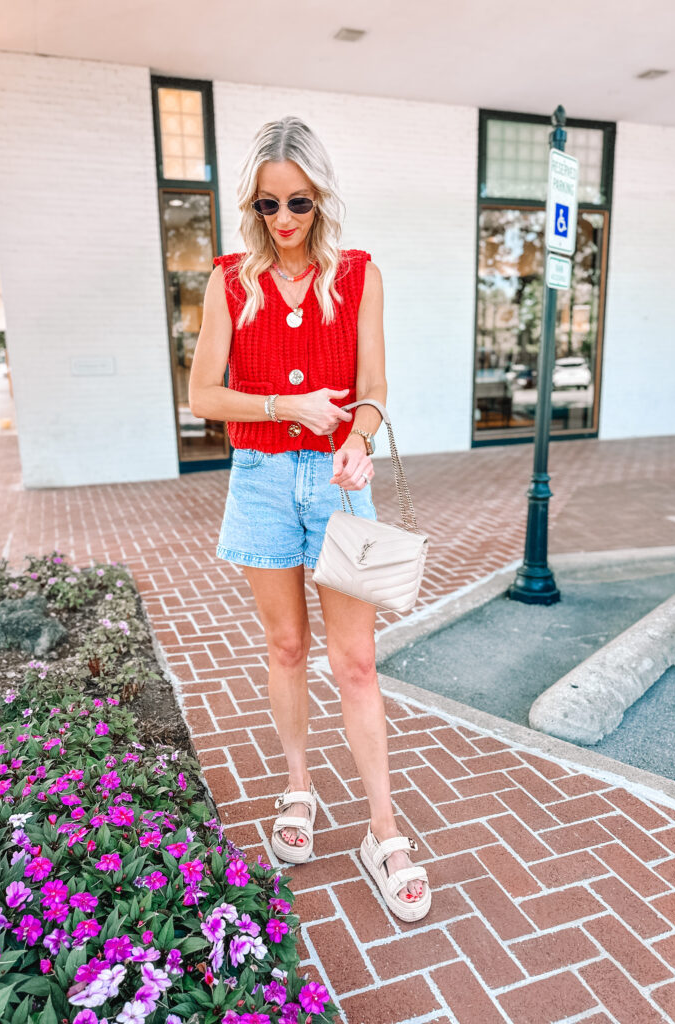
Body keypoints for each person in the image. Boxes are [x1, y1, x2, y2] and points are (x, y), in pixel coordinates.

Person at [189, 115, 431, 922]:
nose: (284, 221)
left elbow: (372, 390)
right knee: (285, 645)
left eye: (298, 203)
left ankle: (384, 830)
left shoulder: (359, 274)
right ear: (251, 207)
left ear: (321, 199)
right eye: (267, 206)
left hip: (336, 481)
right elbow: (202, 397)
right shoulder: (229, 280)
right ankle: (299, 788)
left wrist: (359, 442)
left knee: (355, 661)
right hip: (258, 476)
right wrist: (284, 403)